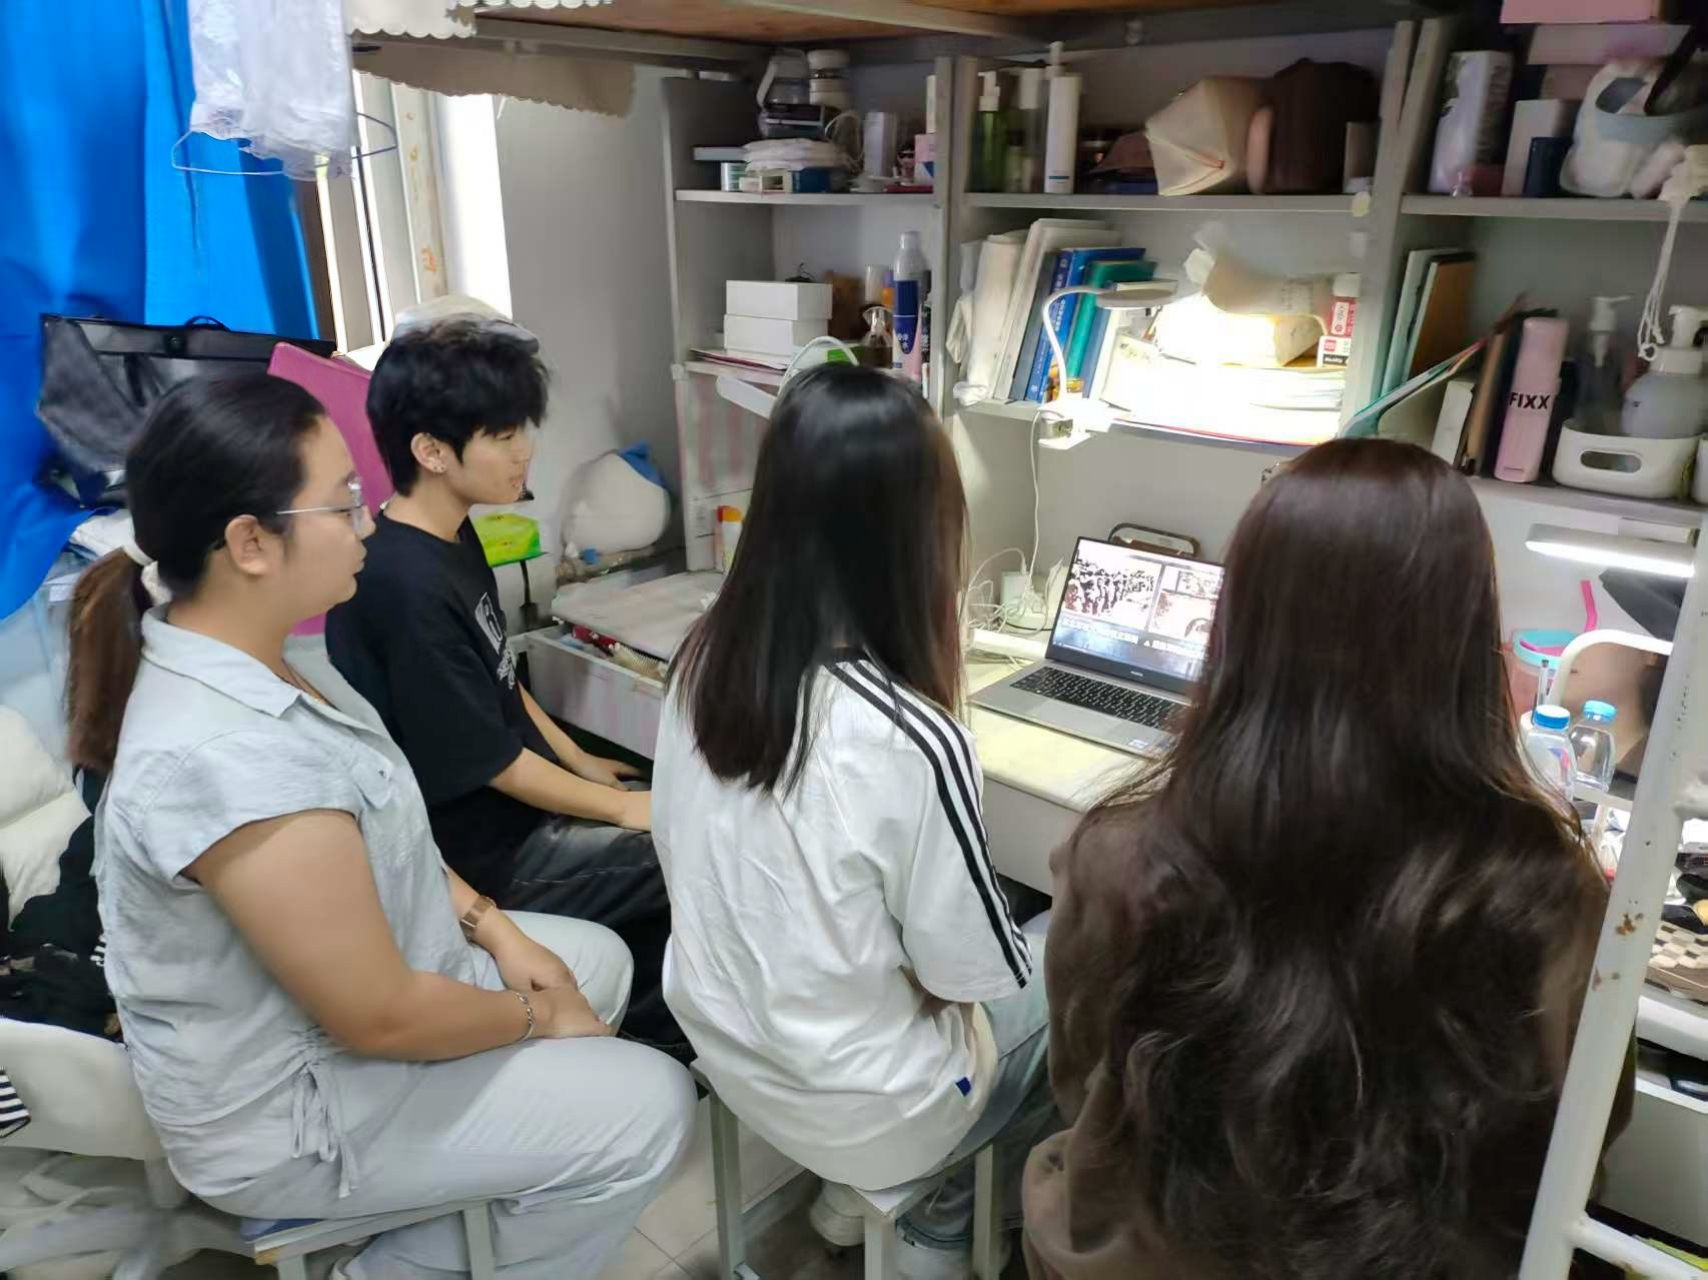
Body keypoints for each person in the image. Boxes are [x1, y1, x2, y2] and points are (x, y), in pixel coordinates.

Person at [71, 374, 694, 1280]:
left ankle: (499, 1192)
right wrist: (532, 1017)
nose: (365, 525)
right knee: (652, 1106)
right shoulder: (230, 759)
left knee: (595, 962)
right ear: (250, 543)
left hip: (361, 1002)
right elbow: (379, 1017)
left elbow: (381, 823)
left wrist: (494, 927)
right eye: (342, 505)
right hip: (299, 1111)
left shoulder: (261, 658)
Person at [1023, 439, 1631, 1280]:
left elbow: (1080, 1080)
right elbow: (1587, 1133)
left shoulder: (1121, 856)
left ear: (1239, 625)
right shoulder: (1545, 889)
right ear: (1462, 636)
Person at [653, 363, 1054, 1279]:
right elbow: (968, 974)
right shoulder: (912, 738)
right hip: (869, 1103)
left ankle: (855, 1195)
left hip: (729, 1047)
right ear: (915, 534)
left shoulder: (701, 661)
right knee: (1072, 950)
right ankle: (946, 1214)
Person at [325, 318, 682, 1058]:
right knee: (689, 843)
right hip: (486, 856)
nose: (527, 450)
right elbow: (491, 764)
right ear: (431, 451)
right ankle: (647, 1039)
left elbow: (502, 677)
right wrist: (624, 810)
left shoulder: (452, 533)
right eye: (503, 434)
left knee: (656, 793)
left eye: (523, 428)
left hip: (518, 804)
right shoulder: (402, 587)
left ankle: (654, 1015)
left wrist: (581, 762)